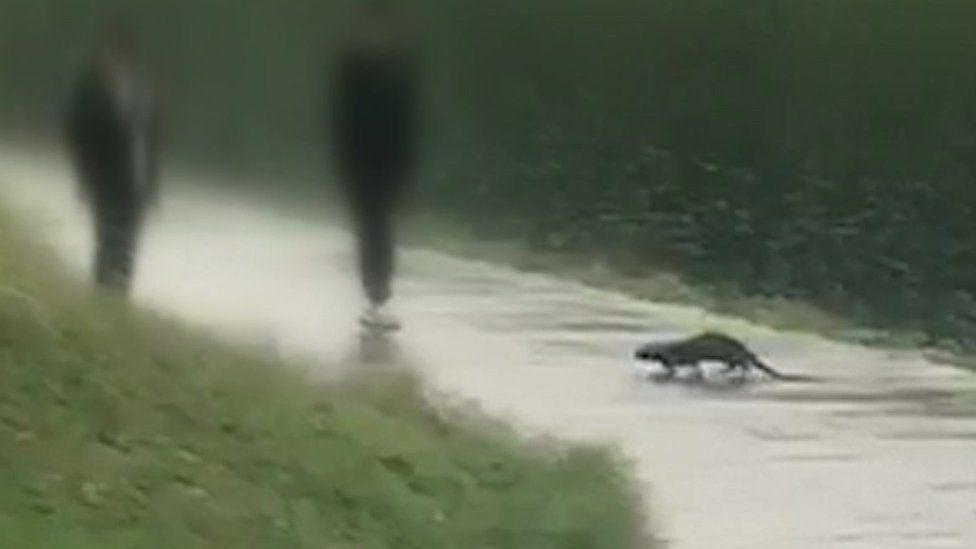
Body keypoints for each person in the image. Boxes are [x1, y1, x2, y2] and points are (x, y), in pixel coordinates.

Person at [327, 0, 420, 331]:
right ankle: (376, 296)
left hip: (386, 157)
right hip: (363, 158)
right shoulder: (353, 63)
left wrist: (407, 162)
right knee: (374, 224)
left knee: (378, 225)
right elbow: (341, 119)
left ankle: (377, 296)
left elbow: (409, 119)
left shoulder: (398, 62)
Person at [63, 20, 162, 295]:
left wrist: (151, 183)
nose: (117, 56)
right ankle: (103, 297)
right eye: (113, 49)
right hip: (105, 180)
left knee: (128, 246)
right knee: (108, 241)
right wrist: (86, 175)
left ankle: (119, 297)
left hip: (136, 181)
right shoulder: (91, 87)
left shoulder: (140, 89)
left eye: (123, 50)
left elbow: (150, 137)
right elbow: (77, 132)